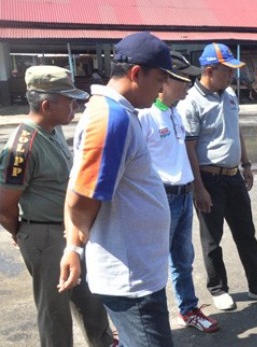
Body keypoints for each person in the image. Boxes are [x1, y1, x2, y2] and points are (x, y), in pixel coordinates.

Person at [57, 32, 188, 346]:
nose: (161, 88)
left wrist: (74, 247)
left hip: (137, 273)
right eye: (159, 79)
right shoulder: (111, 119)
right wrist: (74, 247)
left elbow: (78, 188)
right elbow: (80, 198)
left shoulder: (120, 113)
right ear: (136, 73)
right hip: (130, 280)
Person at [0, 66, 115, 347]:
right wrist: (24, 234)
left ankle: (102, 342)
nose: (74, 105)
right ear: (46, 104)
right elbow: (4, 206)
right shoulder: (22, 146)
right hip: (44, 236)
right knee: (55, 312)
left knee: (89, 298)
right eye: (68, 100)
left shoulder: (52, 131)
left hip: (68, 232)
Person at [177, 42, 257, 311]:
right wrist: (198, 187)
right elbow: (189, 148)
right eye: (227, 71)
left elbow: (236, 130)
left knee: (246, 233)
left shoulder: (229, 95)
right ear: (210, 70)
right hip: (209, 178)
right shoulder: (191, 102)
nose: (232, 76)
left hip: (233, 176)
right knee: (212, 239)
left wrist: (246, 164)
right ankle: (218, 288)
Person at [137, 51, 218, 333]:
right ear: (167, 80)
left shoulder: (174, 113)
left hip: (183, 197)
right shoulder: (144, 115)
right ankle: (150, 322)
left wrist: (198, 189)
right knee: (154, 264)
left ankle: (189, 309)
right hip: (161, 198)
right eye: (186, 80)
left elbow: (184, 155)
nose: (189, 85)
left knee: (183, 259)